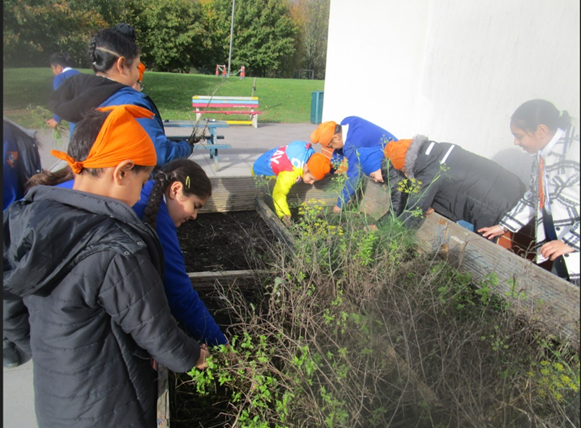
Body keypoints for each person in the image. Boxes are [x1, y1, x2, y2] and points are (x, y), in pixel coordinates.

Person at [3, 104, 208, 427]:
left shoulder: (27, 218)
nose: (142, 194)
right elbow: (157, 331)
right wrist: (196, 356)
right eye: (141, 183)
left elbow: (10, 309)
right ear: (122, 171)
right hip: (112, 406)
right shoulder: (116, 249)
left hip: (55, 399)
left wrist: (51, 352)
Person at [52, 158, 229, 346]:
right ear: (176, 189)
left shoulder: (148, 193)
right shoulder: (155, 216)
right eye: (195, 206)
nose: (194, 216)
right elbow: (180, 296)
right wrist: (220, 344)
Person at [48, 24, 192, 166]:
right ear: (121, 65)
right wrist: (186, 146)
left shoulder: (79, 98)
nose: (137, 74)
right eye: (136, 66)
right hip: (128, 187)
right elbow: (160, 155)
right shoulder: (130, 103)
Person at [479, 100, 580, 285]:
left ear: (541, 130)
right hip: (559, 245)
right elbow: (534, 196)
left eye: (519, 136)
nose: (516, 142)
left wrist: (571, 243)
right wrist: (504, 226)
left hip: (571, 246)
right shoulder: (543, 156)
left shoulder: (575, 152)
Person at [363, 135, 526, 231]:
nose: (406, 176)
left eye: (404, 172)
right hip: (513, 187)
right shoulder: (438, 150)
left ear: (406, 165)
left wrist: (382, 229)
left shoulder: (429, 172)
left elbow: (413, 211)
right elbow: (452, 185)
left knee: (485, 257)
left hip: (497, 208)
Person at [310, 117, 397, 213]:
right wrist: (331, 169)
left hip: (393, 160)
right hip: (386, 149)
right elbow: (339, 149)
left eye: (330, 146)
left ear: (335, 138)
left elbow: (353, 178)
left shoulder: (353, 148)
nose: (331, 149)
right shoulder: (348, 122)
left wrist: (339, 205)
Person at [252, 140, 332, 222]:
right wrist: (284, 214)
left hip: (267, 157)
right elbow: (279, 193)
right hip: (259, 170)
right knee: (268, 194)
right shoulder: (290, 172)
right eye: (311, 178)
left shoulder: (309, 156)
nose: (312, 183)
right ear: (305, 168)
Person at [46, 52, 81, 129]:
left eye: (52, 68)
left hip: (76, 119)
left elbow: (61, 99)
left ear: (58, 67)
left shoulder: (60, 78)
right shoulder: (81, 75)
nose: (53, 72)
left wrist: (56, 119)